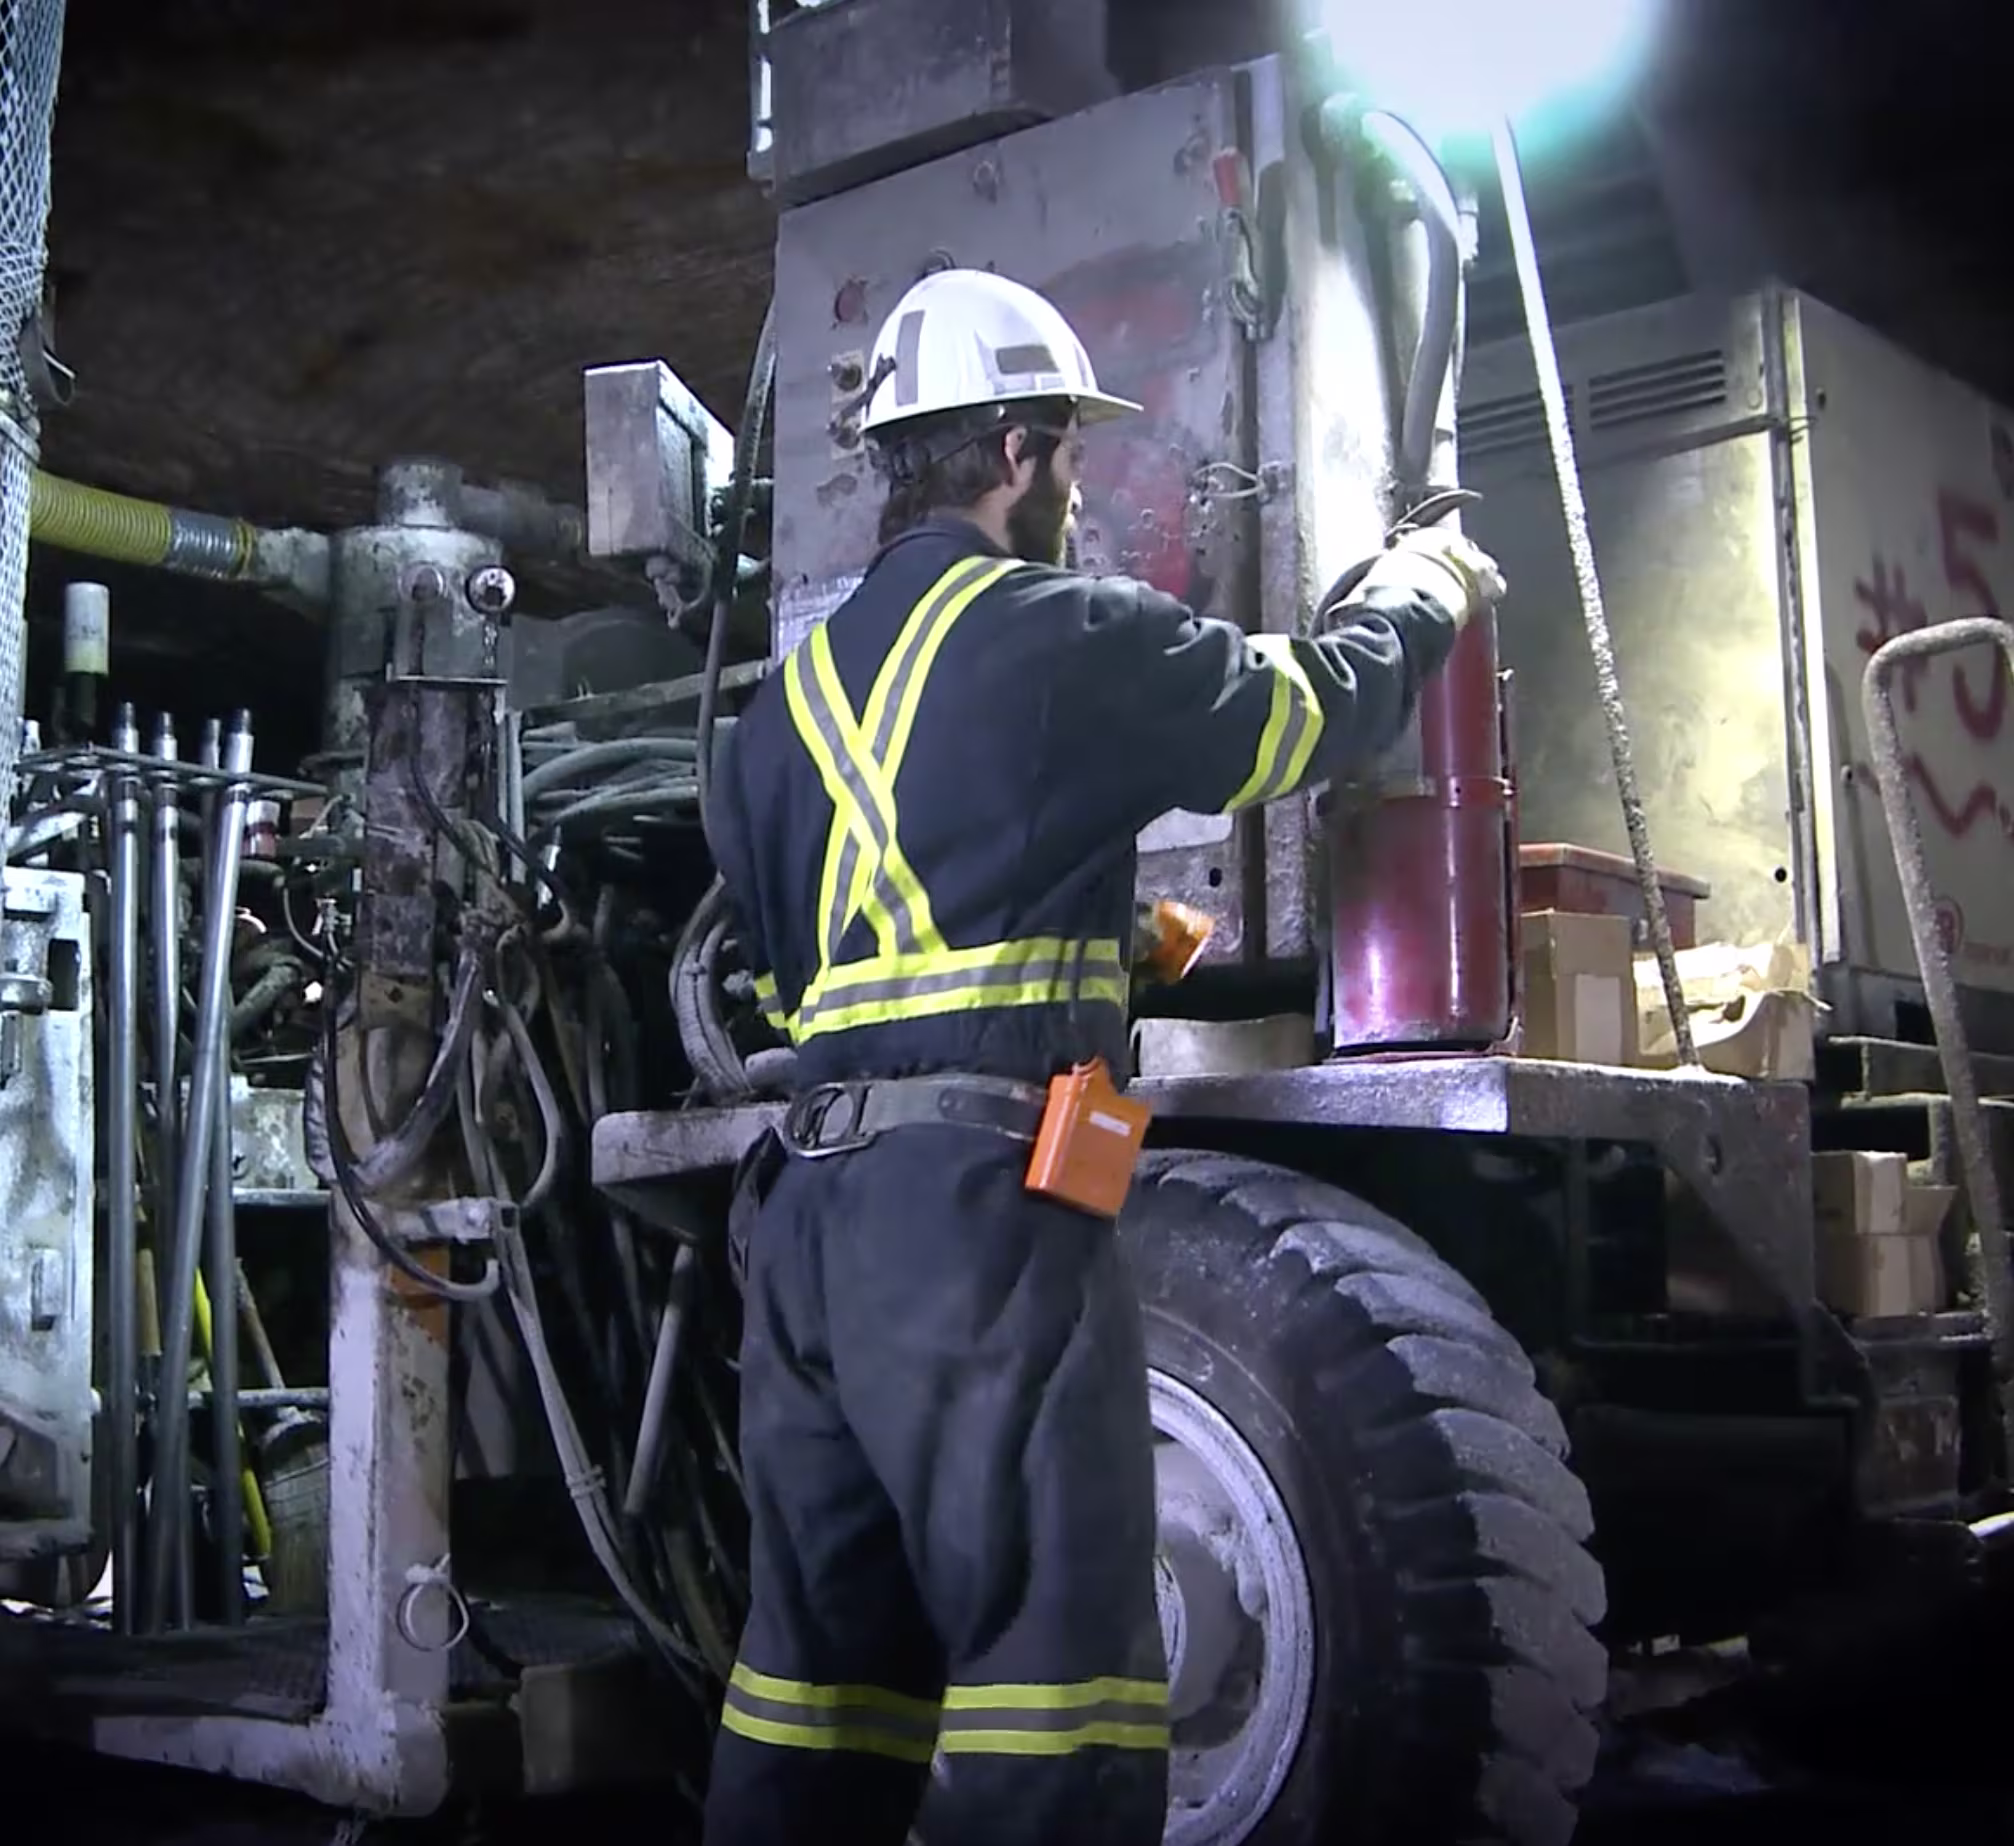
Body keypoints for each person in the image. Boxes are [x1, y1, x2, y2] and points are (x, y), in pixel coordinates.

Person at [699, 269, 1504, 1846]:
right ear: (1014, 449)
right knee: (1050, 1677)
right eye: (1067, 456)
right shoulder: (1054, 629)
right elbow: (1297, 721)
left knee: (817, 1672)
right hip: (981, 1224)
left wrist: (1110, 949)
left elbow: (865, 953)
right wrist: (1424, 585)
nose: (1076, 490)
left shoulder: (773, 710)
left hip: (805, 1224)